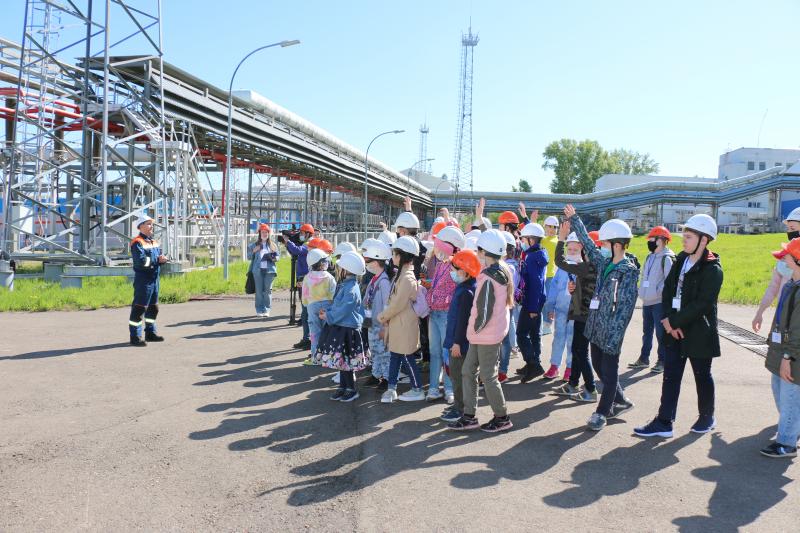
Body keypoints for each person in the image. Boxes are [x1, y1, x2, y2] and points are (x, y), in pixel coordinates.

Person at [634, 214, 723, 438]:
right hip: (673, 329)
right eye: (683, 236)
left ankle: (706, 417)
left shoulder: (713, 270)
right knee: (671, 376)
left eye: (689, 236)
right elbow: (668, 290)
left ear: (704, 240)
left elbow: (702, 305)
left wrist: (672, 321)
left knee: (702, 375)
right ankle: (664, 422)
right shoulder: (681, 259)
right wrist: (668, 322)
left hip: (698, 332)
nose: (683, 240)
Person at [564, 204, 639, 432]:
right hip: (595, 327)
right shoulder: (605, 263)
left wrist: (613, 337)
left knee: (609, 371)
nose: (602, 248)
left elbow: (625, 308)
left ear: (617, 245)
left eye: (605, 244)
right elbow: (587, 243)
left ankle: (601, 413)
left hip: (611, 333)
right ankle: (622, 401)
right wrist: (575, 220)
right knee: (598, 366)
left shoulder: (628, 271)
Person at [449, 229, 514, 433]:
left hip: (484, 335)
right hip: (487, 334)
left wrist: (473, 331)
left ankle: (501, 416)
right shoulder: (501, 271)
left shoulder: (488, 277)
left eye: (479, 250)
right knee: (468, 371)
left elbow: (483, 311)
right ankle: (469, 415)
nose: (477, 254)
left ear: (486, 252)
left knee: (487, 376)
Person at [760, 238, 800, 458]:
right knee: (780, 391)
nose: (782, 259)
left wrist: (788, 356)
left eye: (786, 256)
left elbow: (797, 330)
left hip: (793, 356)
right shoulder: (792, 285)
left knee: (790, 397)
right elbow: (781, 321)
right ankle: (791, 432)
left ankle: (787, 443)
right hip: (781, 351)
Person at [314, 251, 369, 402]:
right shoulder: (345, 285)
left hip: (347, 330)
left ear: (345, 270)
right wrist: (328, 311)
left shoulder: (351, 289)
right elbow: (337, 305)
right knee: (342, 360)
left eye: (340, 267)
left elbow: (345, 308)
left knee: (347, 362)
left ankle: (351, 388)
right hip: (341, 327)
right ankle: (343, 387)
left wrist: (329, 316)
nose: (337, 269)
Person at [553, 225, 599, 403]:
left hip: (583, 315)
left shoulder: (587, 266)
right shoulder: (591, 266)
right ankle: (572, 383)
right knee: (577, 350)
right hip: (584, 313)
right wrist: (575, 289)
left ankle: (591, 389)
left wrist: (561, 239)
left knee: (581, 351)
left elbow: (559, 261)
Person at [378, 236, 425, 403]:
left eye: (395, 253)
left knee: (406, 357)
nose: (392, 257)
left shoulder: (406, 278)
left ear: (402, 255)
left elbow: (397, 304)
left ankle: (417, 389)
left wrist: (382, 317)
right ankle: (392, 388)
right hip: (400, 324)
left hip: (403, 324)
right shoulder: (403, 275)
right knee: (396, 356)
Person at [425, 225, 466, 403]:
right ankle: (434, 387)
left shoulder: (456, 267)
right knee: (435, 352)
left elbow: (457, 291)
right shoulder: (441, 265)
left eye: (439, 246)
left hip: (446, 316)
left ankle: (449, 388)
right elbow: (435, 286)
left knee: (446, 352)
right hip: (434, 314)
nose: (436, 249)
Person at [440, 249, 480, 423]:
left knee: (457, 376)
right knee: (455, 375)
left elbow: (463, 321)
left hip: (459, 344)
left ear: (464, 271)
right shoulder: (464, 287)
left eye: (455, 269)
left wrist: (456, 343)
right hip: (456, 341)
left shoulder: (466, 292)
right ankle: (458, 404)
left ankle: (459, 409)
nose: (453, 273)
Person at [629, 226, 676, 373]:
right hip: (647, 301)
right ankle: (644, 359)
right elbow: (644, 277)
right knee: (647, 331)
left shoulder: (667, 258)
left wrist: (657, 292)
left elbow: (669, 282)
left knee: (660, 333)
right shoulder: (650, 257)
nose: (649, 241)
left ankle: (662, 361)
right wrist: (641, 291)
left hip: (659, 302)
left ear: (661, 240)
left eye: (652, 239)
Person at [753, 207, 800, 334]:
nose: (790, 233)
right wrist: (759, 313)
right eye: (788, 229)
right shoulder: (783, 259)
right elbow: (772, 288)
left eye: (793, 229)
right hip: (782, 317)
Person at [516, 222, 549, 383]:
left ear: (531, 240)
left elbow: (535, 283)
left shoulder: (532, 258)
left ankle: (533, 364)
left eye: (524, 239)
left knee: (521, 334)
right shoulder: (539, 254)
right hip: (537, 300)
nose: (522, 241)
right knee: (534, 334)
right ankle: (532, 363)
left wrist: (533, 307)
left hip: (532, 302)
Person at [128, 215, 167, 346]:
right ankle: (135, 337)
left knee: (153, 308)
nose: (152, 226)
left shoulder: (153, 241)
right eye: (149, 224)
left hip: (154, 279)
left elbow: (154, 259)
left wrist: (161, 259)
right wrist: (157, 260)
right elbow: (141, 262)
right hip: (143, 281)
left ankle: (150, 333)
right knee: (139, 308)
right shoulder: (137, 242)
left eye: (152, 224)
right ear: (141, 226)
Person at [362, 240, 393, 391]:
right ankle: (376, 374)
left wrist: (384, 326)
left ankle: (386, 378)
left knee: (384, 353)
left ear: (377, 262)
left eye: (368, 261)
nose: (366, 264)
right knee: (375, 350)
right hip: (371, 323)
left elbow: (387, 305)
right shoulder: (375, 280)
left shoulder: (384, 282)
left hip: (380, 325)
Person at [543, 233, 575, 381]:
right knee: (558, 338)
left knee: (571, 340)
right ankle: (554, 366)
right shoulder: (561, 269)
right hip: (561, 311)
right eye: (570, 248)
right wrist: (550, 307)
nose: (572, 251)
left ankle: (570, 368)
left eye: (576, 249)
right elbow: (554, 289)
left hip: (575, 313)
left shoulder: (583, 269)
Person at [281, 223, 315, 350]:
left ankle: (308, 339)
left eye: (301, 233)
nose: (300, 235)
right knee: (305, 312)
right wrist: (288, 243)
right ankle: (307, 338)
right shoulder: (307, 243)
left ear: (307, 234)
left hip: (306, 279)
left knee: (306, 312)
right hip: (303, 278)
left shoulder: (310, 244)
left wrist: (288, 240)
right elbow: (294, 252)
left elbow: (297, 250)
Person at [302, 248, 336, 364]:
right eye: (325, 261)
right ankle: (327, 358)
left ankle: (315, 357)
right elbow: (333, 293)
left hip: (312, 306)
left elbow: (304, 295)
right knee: (327, 332)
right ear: (321, 263)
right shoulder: (329, 277)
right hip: (327, 306)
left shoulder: (307, 277)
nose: (327, 262)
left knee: (314, 333)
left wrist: (307, 305)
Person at [499, 230, 521, 383]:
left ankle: (502, 371)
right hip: (508, 305)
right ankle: (501, 371)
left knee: (504, 340)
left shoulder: (509, 267)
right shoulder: (513, 265)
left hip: (504, 305)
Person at [248, 223, 280, 318]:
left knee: (267, 291)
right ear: (259, 233)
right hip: (257, 270)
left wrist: (273, 256)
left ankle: (266, 309)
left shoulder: (273, 245)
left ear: (269, 233)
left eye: (266, 232)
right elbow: (249, 256)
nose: (264, 234)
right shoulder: (254, 245)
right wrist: (253, 251)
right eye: (262, 232)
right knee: (258, 291)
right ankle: (259, 309)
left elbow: (278, 258)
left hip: (269, 270)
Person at [540, 215, 561, 336]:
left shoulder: (557, 241)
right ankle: (544, 322)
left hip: (550, 276)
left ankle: (548, 324)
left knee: (549, 301)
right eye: (550, 226)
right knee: (543, 300)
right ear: (545, 227)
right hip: (542, 275)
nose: (552, 229)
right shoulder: (543, 239)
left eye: (555, 227)